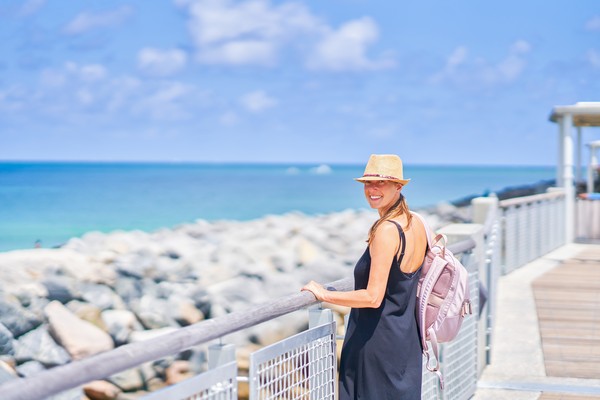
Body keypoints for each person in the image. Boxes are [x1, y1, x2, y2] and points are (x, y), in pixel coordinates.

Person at [302, 154, 428, 399]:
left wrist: (324, 294)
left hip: (376, 342)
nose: (372, 189)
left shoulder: (387, 230)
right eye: (368, 183)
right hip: (405, 339)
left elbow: (372, 297)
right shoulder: (415, 223)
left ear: (398, 187)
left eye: (381, 183)